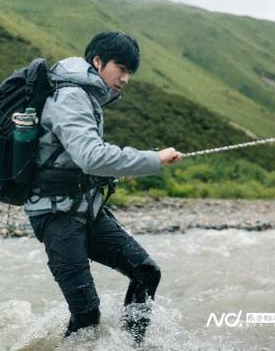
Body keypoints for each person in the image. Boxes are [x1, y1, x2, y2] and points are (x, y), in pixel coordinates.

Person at [24, 31, 182, 342]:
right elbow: (91, 156)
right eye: (121, 69)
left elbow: (81, 159)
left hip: (86, 208)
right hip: (56, 215)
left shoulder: (87, 97)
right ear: (98, 61)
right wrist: (155, 159)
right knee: (86, 317)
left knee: (147, 272)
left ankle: (131, 345)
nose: (126, 79)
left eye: (130, 73)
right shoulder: (71, 97)